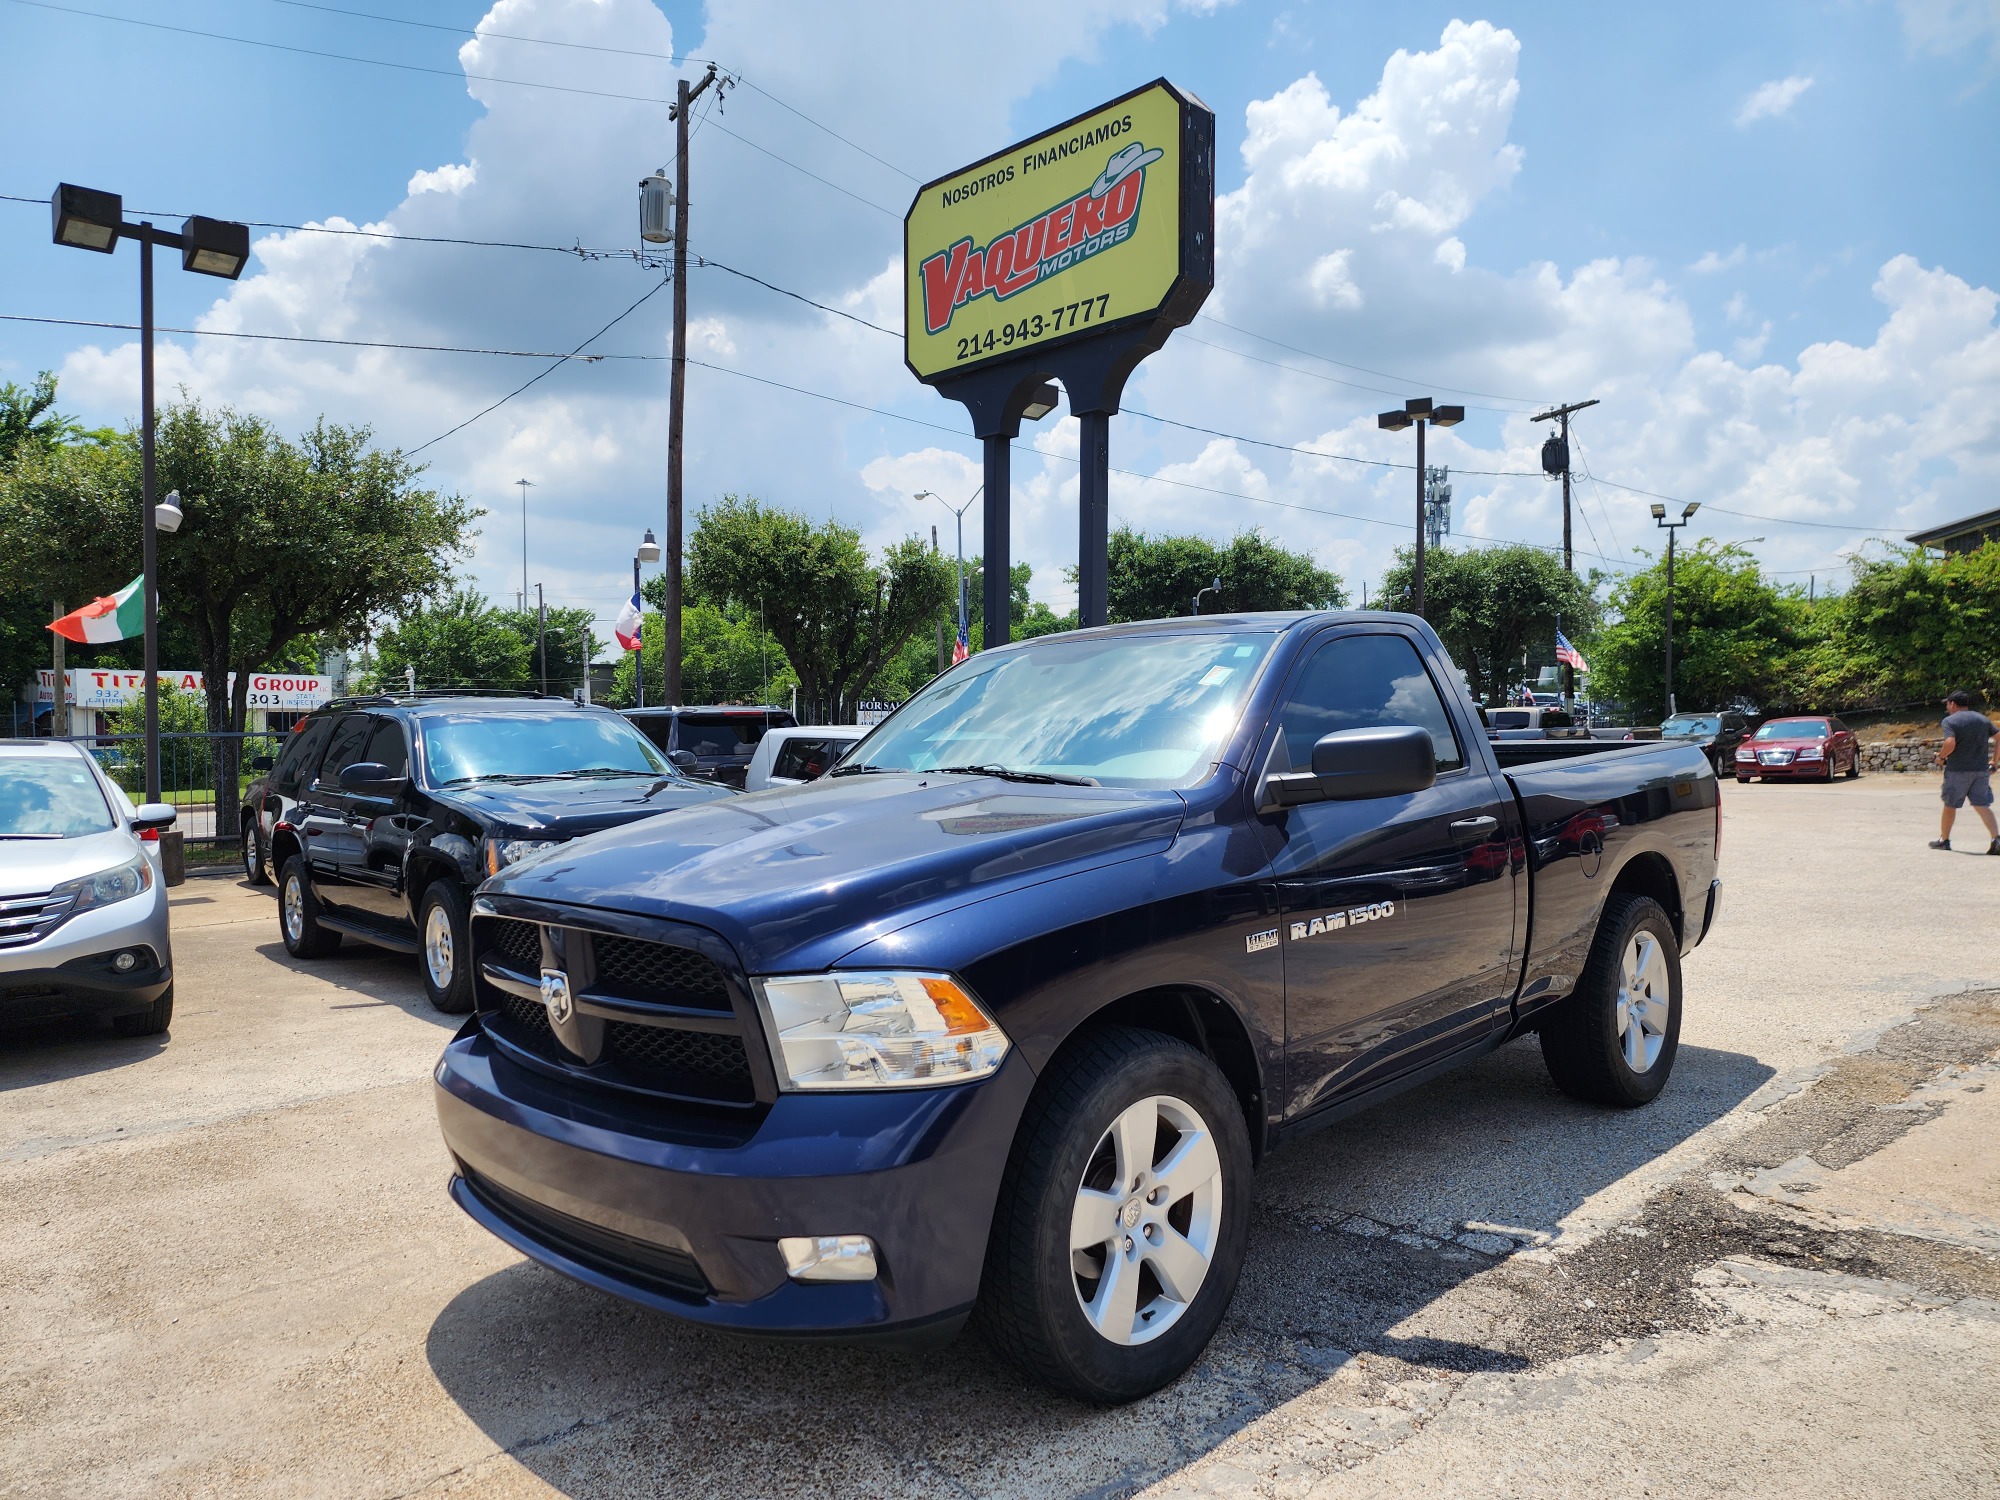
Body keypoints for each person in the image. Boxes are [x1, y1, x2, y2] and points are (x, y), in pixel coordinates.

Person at [1929, 689, 1998, 854]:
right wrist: (1994, 761)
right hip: (1981, 771)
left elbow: (1950, 742)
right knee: (1982, 805)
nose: (1947, 707)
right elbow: (1999, 737)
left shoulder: (1950, 721)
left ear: (1952, 704)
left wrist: (1941, 757)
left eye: (1947, 704)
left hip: (1958, 771)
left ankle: (1944, 840)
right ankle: (1996, 839)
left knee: (1950, 805)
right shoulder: (1982, 719)